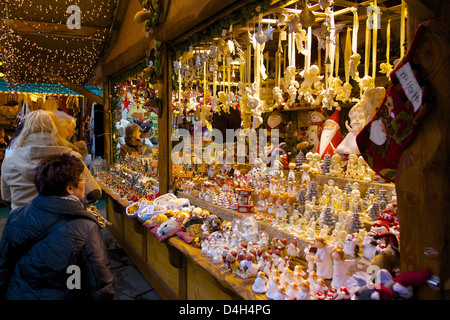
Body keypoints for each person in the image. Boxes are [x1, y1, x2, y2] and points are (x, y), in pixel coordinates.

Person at [0, 153, 115, 300]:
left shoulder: (16, 216)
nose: (84, 182)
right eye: (81, 179)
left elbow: (4, 267)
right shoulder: (86, 228)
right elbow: (100, 284)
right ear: (69, 188)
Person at [1, 110, 101, 210]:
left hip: (22, 221)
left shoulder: (10, 161)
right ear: (57, 128)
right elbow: (93, 194)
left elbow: (7, 198)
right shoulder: (71, 158)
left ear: (26, 130)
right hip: (62, 221)